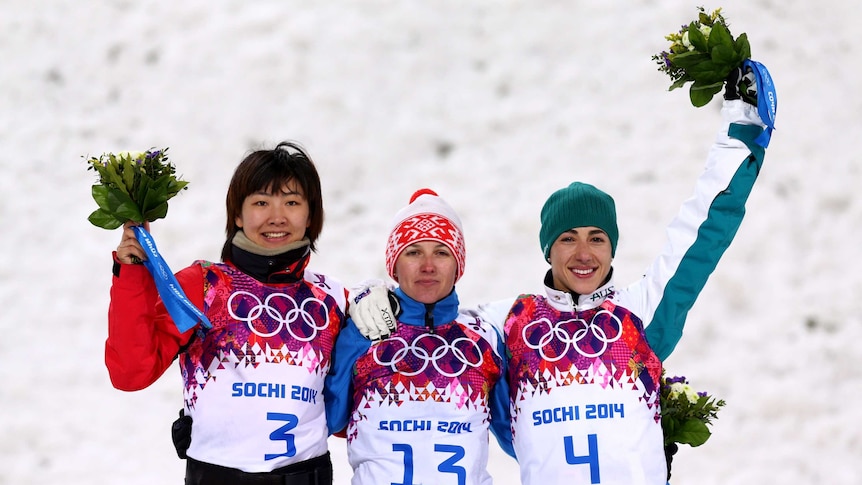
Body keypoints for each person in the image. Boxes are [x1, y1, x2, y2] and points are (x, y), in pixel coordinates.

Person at [348, 64, 775, 484]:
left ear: (612, 249)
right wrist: (375, 295)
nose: (583, 254)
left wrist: (739, 129)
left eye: (597, 239)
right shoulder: (507, 325)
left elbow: (704, 231)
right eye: (568, 239)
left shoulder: (640, 313)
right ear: (548, 249)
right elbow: (430, 307)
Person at [106, 141, 388, 485]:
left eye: (292, 202)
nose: (277, 217)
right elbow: (131, 373)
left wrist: (384, 296)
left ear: (311, 215)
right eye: (260, 202)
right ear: (237, 214)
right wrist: (132, 271)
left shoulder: (334, 299)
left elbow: (357, 413)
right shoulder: (203, 285)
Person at [324, 189, 514, 485]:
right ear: (394, 266)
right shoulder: (365, 330)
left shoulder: (484, 339)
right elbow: (327, 421)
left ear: (457, 265)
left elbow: (522, 439)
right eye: (413, 252)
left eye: (441, 252)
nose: (428, 266)